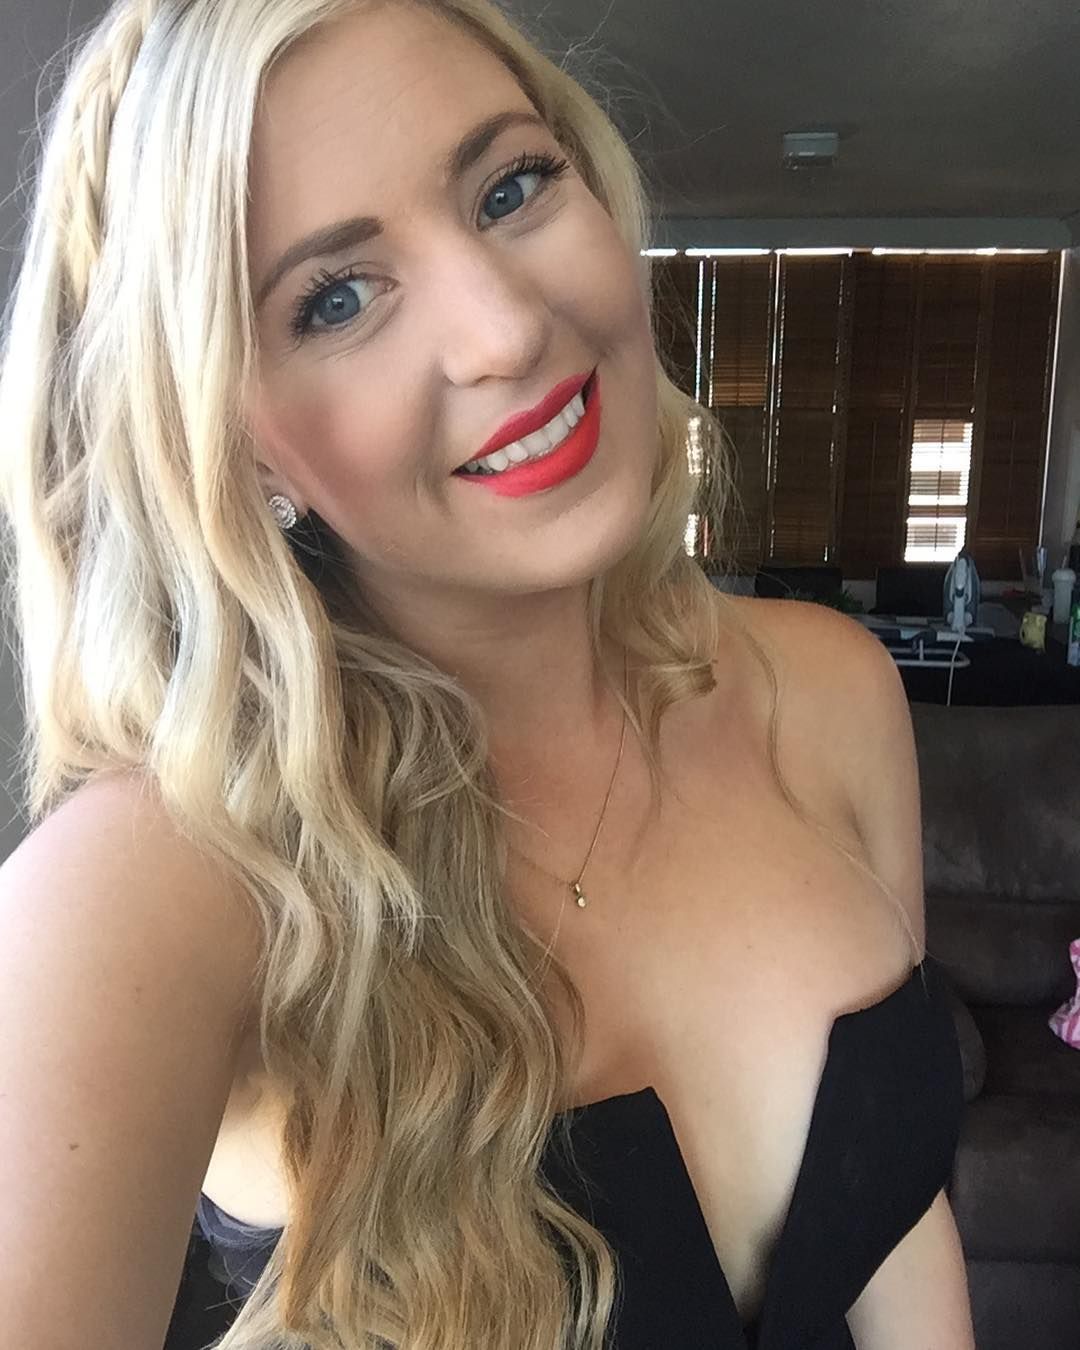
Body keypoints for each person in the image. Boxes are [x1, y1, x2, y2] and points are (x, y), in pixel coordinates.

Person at [0, 2, 974, 1348]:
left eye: (510, 187)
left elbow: (903, 1230)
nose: (507, 328)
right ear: (236, 442)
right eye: (336, 299)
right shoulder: (170, 875)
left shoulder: (834, 695)